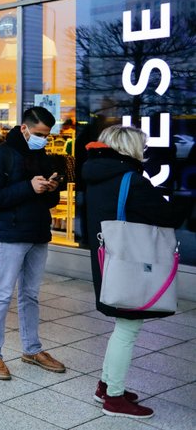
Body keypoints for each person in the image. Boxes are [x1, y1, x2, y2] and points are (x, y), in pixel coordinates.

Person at [82, 125, 191, 419]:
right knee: (127, 330)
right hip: (129, 265)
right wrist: (186, 199)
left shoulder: (95, 175)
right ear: (129, 148)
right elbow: (165, 215)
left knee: (121, 327)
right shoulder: (131, 180)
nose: (144, 152)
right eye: (141, 147)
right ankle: (114, 399)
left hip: (109, 261)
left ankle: (105, 386)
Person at [0, 106, 64, 381]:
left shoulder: (44, 158)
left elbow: (50, 201)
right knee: (3, 293)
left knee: (30, 294)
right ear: (24, 128)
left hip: (38, 231)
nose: (43, 139)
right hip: (11, 233)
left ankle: (32, 349)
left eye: (48, 136)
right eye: (40, 133)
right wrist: (28, 187)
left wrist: (51, 189)